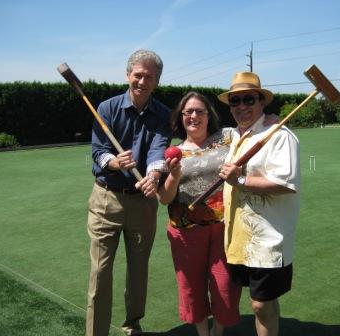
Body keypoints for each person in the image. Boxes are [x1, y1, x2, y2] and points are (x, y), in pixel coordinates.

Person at [86, 49, 171, 336]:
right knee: (100, 273)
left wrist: (154, 175)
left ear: (156, 81)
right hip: (106, 199)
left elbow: (159, 150)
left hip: (142, 203)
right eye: (138, 75)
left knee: (138, 271)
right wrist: (113, 161)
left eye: (149, 77)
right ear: (128, 75)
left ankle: (132, 325)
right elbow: (98, 151)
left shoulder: (163, 114)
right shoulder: (107, 108)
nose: (142, 81)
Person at [217, 72, 301, 336]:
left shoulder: (279, 135)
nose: (242, 106)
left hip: (267, 240)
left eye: (249, 99)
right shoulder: (236, 136)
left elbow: (285, 184)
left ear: (262, 102)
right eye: (235, 101)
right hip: (240, 239)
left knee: (259, 304)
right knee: (264, 303)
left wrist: (240, 179)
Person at [157, 91, 241, 336]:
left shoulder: (227, 137)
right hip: (185, 231)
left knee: (225, 284)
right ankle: (204, 334)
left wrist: (268, 119)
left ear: (208, 114)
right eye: (188, 112)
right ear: (181, 117)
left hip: (224, 227)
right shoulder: (173, 152)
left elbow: (250, 131)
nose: (194, 116)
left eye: (199, 111)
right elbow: (164, 199)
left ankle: (218, 332)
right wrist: (174, 174)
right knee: (191, 286)